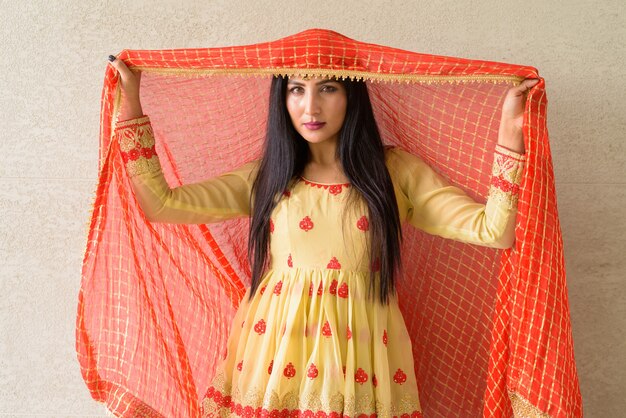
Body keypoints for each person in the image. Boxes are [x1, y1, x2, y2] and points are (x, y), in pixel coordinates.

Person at [108, 54, 537, 418]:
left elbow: (494, 231)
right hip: (275, 352)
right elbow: (160, 204)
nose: (310, 106)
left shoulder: (394, 172)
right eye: (296, 89)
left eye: (328, 87)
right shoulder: (269, 176)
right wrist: (131, 104)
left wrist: (510, 132)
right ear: (282, 98)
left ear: (353, 95)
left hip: (361, 355)